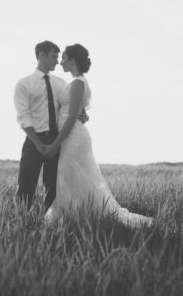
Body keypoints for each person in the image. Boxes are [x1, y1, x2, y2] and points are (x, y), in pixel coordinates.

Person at [42, 44, 153, 228]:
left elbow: (71, 118)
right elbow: (80, 113)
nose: (61, 62)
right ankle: (75, 216)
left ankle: (77, 216)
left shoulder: (78, 83)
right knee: (73, 177)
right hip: (72, 135)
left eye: (64, 58)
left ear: (72, 60)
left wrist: (55, 144)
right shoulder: (78, 82)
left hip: (73, 137)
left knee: (69, 175)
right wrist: (83, 115)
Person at [13, 41, 87, 212]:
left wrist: (83, 115)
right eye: (54, 57)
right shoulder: (24, 83)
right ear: (41, 55)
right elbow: (23, 117)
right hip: (34, 141)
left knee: (54, 187)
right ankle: (21, 224)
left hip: (57, 140)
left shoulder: (61, 83)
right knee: (25, 185)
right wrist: (38, 144)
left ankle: (50, 225)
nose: (57, 61)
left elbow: (69, 109)